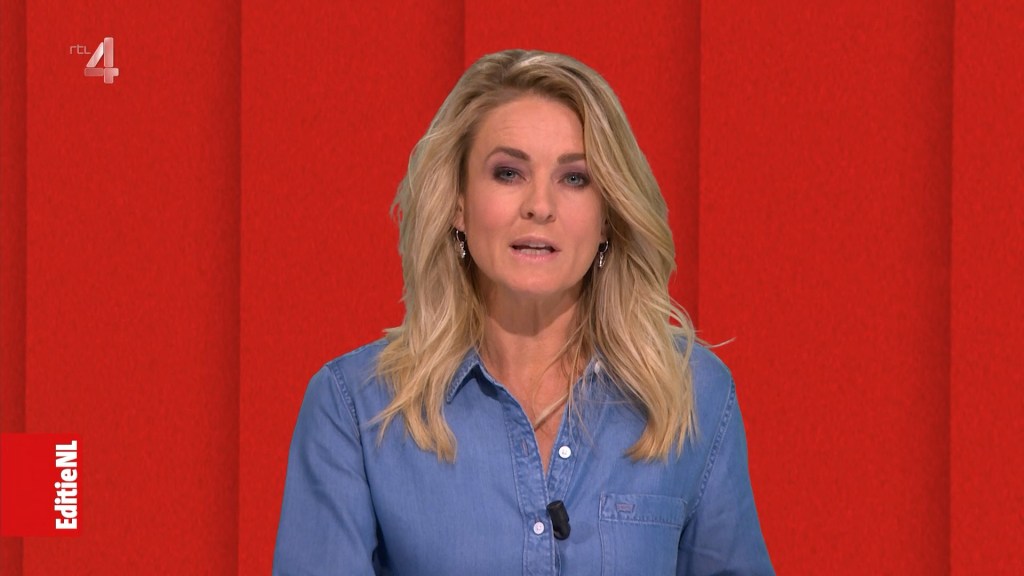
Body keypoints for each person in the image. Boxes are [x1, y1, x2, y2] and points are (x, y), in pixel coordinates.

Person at [273, 49, 773, 575]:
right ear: (459, 205)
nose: (540, 205)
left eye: (574, 178)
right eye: (508, 173)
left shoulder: (690, 393)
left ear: (608, 215)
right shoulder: (356, 408)